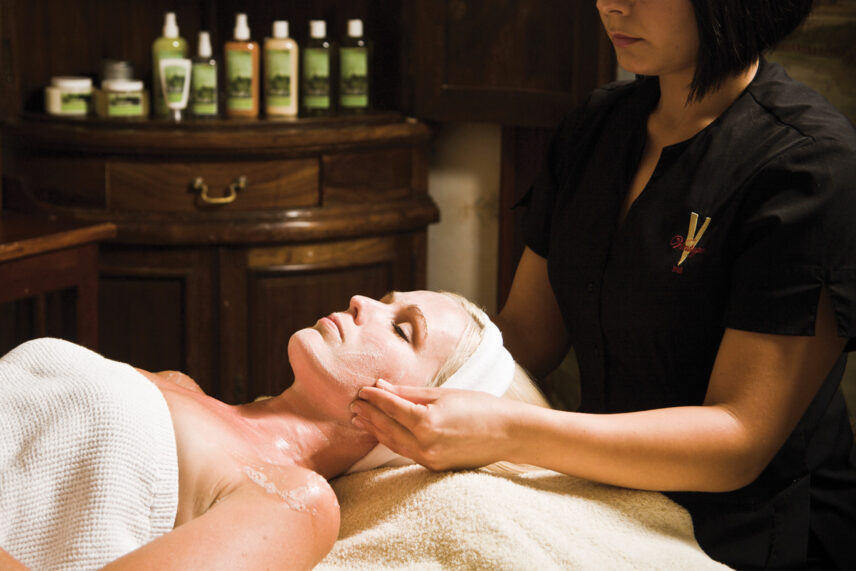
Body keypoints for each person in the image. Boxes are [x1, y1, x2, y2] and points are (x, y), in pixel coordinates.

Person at [350, 0, 856, 568]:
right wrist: (390, 383)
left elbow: (738, 441)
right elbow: (525, 339)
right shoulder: (596, 126)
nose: (612, 4)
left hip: (753, 532)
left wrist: (507, 431)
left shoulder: (807, 167)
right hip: (610, 502)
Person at [0, 290, 544, 570]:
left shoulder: (290, 500)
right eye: (383, 300)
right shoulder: (178, 384)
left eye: (402, 329)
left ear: (419, 413)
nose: (362, 303)